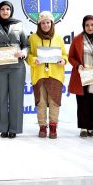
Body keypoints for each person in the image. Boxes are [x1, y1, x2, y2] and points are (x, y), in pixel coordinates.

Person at [0, 1, 29, 138]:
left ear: (11, 11)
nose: (5, 11)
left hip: (17, 66)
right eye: (2, 9)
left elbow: (26, 45)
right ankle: (3, 128)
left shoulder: (19, 25)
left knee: (16, 98)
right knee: (0, 97)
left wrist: (23, 53)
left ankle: (14, 129)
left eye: (7, 9)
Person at [27, 11, 68, 139]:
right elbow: (28, 56)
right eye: (43, 23)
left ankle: (53, 127)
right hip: (39, 75)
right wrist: (33, 60)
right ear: (39, 24)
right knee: (41, 102)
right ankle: (42, 127)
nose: (46, 25)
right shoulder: (33, 38)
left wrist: (64, 60)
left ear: (52, 23)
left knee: (54, 102)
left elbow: (65, 54)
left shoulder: (58, 37)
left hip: (55, 75)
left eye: (48, 22)